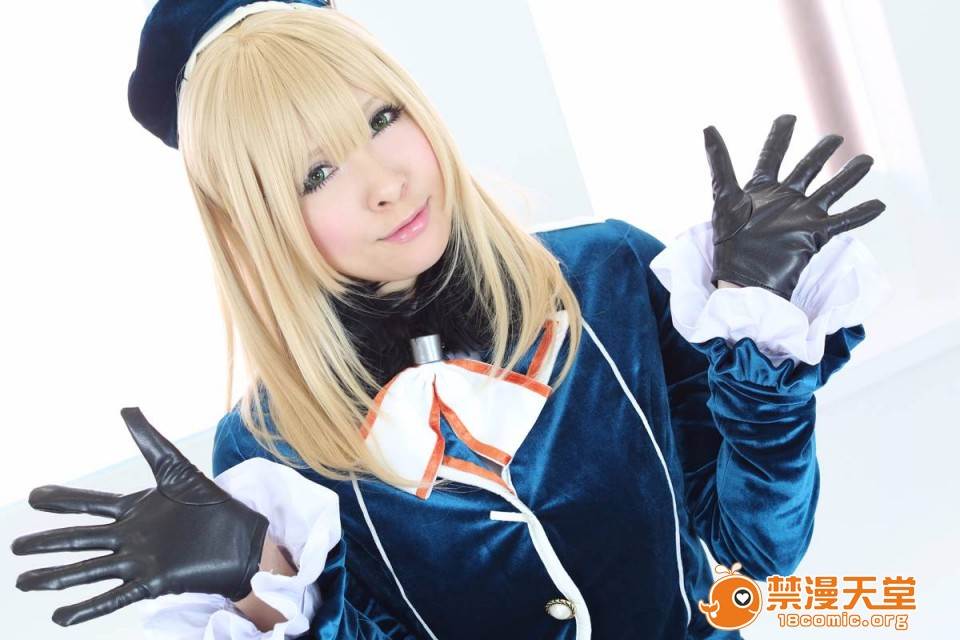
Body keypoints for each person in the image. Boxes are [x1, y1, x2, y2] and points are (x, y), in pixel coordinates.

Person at [10, 1, 890, 638]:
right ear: (257, 222)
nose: (385, 182)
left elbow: (752, 552)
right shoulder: (269, 448)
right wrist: (262, 582)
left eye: (381, 118)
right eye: (315, 174)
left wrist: (758, 341)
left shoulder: (610, 275)